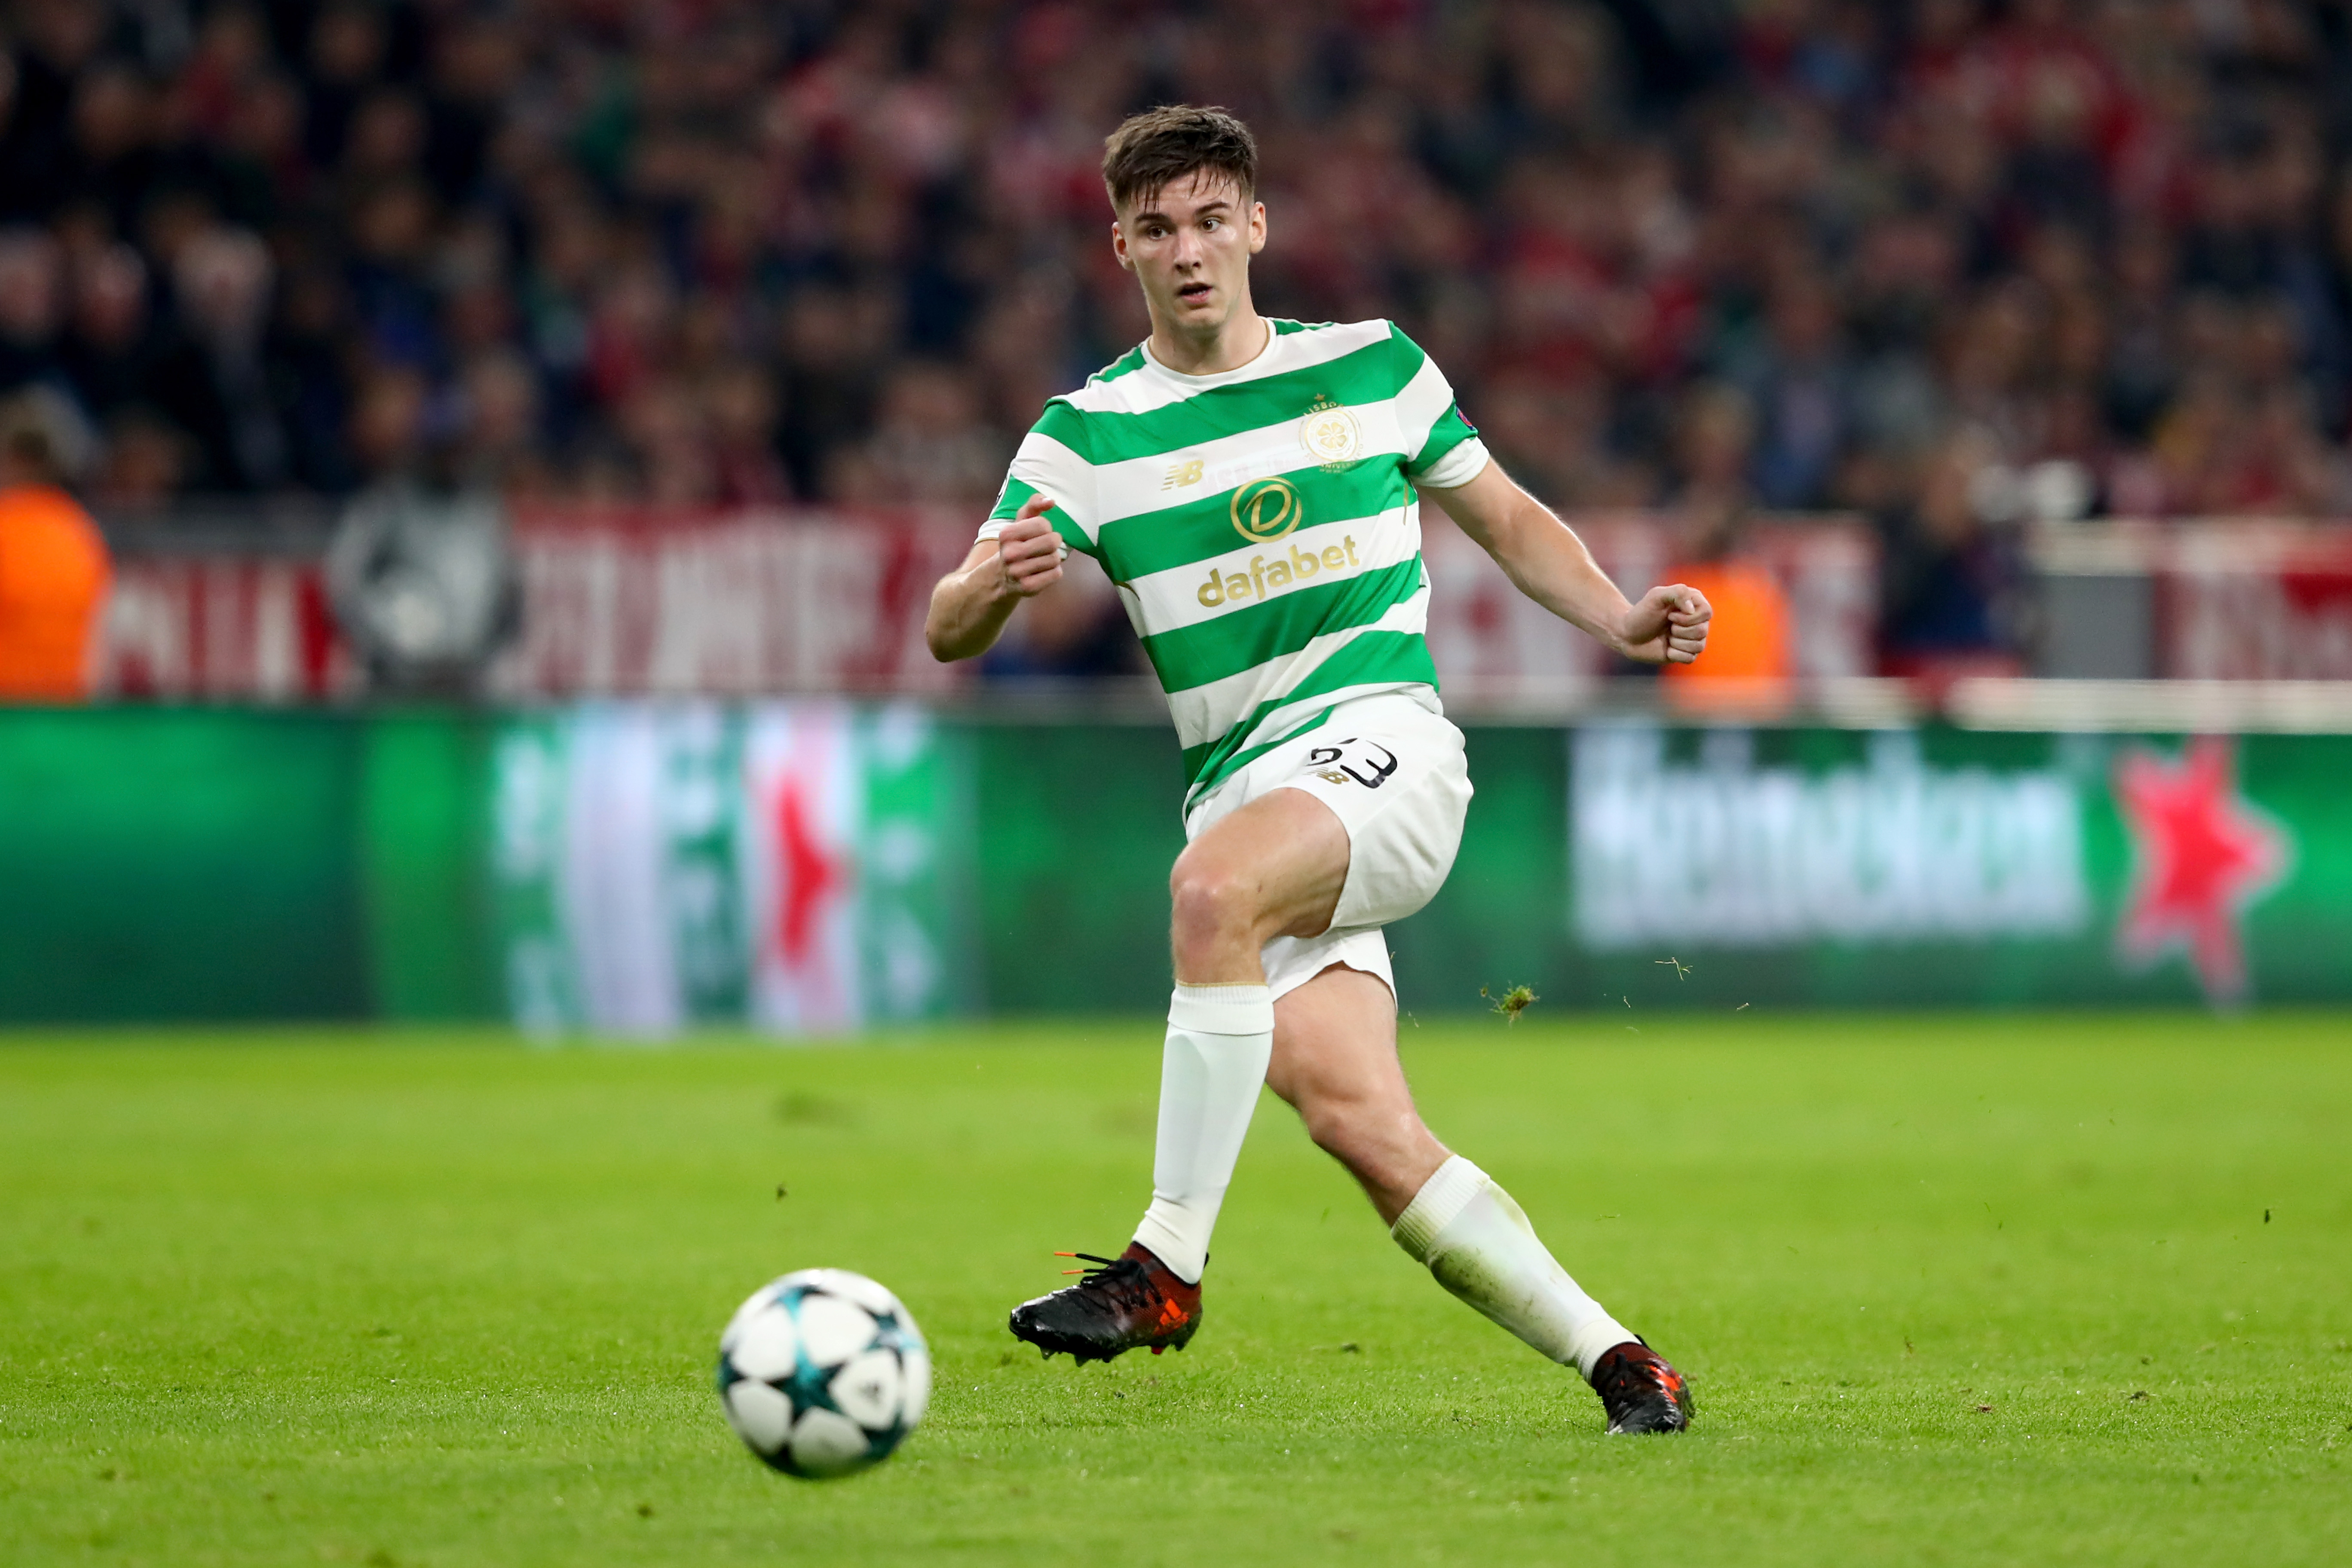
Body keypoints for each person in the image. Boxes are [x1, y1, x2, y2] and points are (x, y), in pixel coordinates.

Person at [925, 107, 1712, 1434]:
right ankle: (1624, 1361)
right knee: (1364, 1123)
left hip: (1388, 748)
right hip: (1251, 795)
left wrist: (1619, 618)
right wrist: (989, 579)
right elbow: (948, 630)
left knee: (1205, 893)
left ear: (1257, 226)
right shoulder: (1086, 435)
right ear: (1120, 246)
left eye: (1212, 220)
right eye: (1160, 229)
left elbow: (1508, 519)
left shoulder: (1373, 368)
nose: (1191, 251)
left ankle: (1164, 1265)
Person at [0, 395, 112, 701]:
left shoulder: (6, 526)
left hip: (9, 709)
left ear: (17, 459)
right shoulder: (80, 531)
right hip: (64, 709)